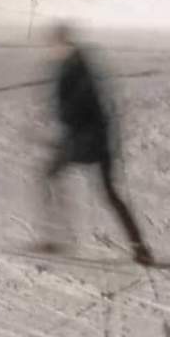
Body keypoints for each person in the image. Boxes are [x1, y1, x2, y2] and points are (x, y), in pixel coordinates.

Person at [37, 24, 154, 265]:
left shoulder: (72, 70)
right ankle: (140, 247)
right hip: (97, 141)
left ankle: (58, 237)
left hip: (83, 142)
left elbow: (72, 110)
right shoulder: (84, 66)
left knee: (49, 176)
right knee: (110, 195)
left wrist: (63, 126)